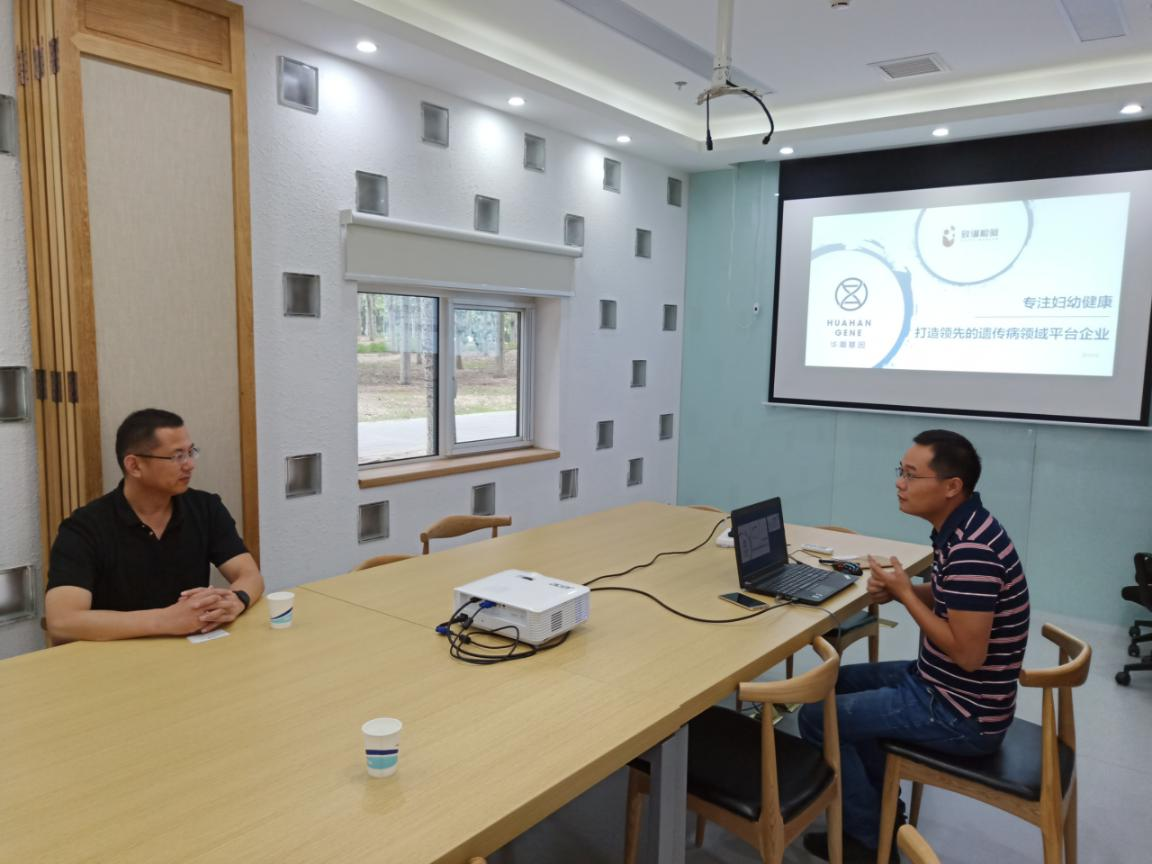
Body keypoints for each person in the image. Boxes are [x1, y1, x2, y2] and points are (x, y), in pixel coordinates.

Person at [800, 430, 1030, 864]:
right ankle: (885, 817)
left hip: (962, 713)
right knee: (832, 684)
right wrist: (901, 590)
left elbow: (968, 655)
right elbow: (952, 598)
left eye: (910, 475)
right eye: (900, 472)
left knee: (816, 719)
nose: (899, 483)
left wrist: (906, 594)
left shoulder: (973, 550)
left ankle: (869, 842)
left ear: (951, 486)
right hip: (939, 683)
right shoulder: (962, 527)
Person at [45, 408, 263, 642]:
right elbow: (62, 621)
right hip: (117, 654)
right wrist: (165, 620)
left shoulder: (205, 508)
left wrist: (236, 600)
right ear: (134, 466)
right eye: (177, 456)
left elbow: (249, 574)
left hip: (191, 648)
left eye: (191, 452)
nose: (189, 465)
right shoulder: (84, 527)